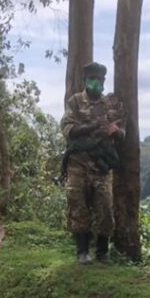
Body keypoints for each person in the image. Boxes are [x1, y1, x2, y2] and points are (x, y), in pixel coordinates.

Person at [61, 61, 125, 264]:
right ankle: (82, 252)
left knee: (105, 207)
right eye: (92, 79)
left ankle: (102, 252)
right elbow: (69, 129)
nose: (96, 82)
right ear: (85, 80)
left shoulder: (111, 104)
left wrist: (117, 132)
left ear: (104, 81)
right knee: (78, 206)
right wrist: (95, 125)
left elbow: (122, 132)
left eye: (99, 79)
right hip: (78, 164)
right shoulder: (75, 101)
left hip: (101, 165)